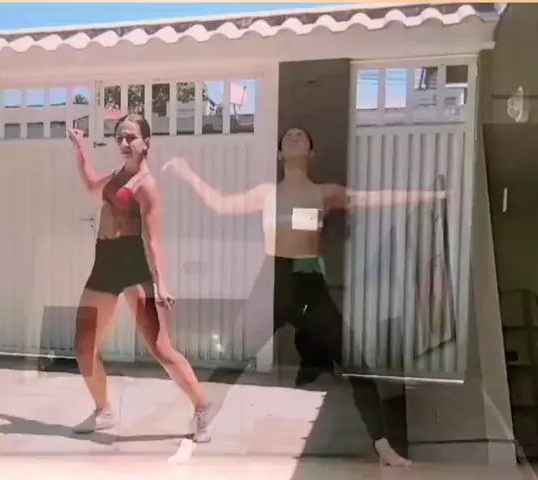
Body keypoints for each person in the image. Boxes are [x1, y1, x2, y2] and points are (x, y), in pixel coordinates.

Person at [164, 126, 447, 467]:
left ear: (312, 152)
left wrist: (427, 196)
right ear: (280, 153)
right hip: (273, 282)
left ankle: (383, 446)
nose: (294, 136)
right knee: (230, 364)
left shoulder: (325, 193)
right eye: (288, 136)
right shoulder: (266, 193)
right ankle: (191, 439)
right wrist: (187, 172)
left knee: (355, 364)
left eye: (301, 135)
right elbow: (221, 204)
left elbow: (373, 198)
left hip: (311, 285)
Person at [67, 114, 212, 443]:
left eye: (131, 137)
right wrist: (81, 149)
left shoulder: (146, 185)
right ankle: (104, 411)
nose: (124, 142)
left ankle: (203, 407)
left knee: (161, 349)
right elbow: (91, 185)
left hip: (134, 267)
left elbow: (153, 239)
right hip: (105, 265)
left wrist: (161, 284)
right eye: (120, 137)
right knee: (84, 347)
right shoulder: (117, 176)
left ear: (146, 143)